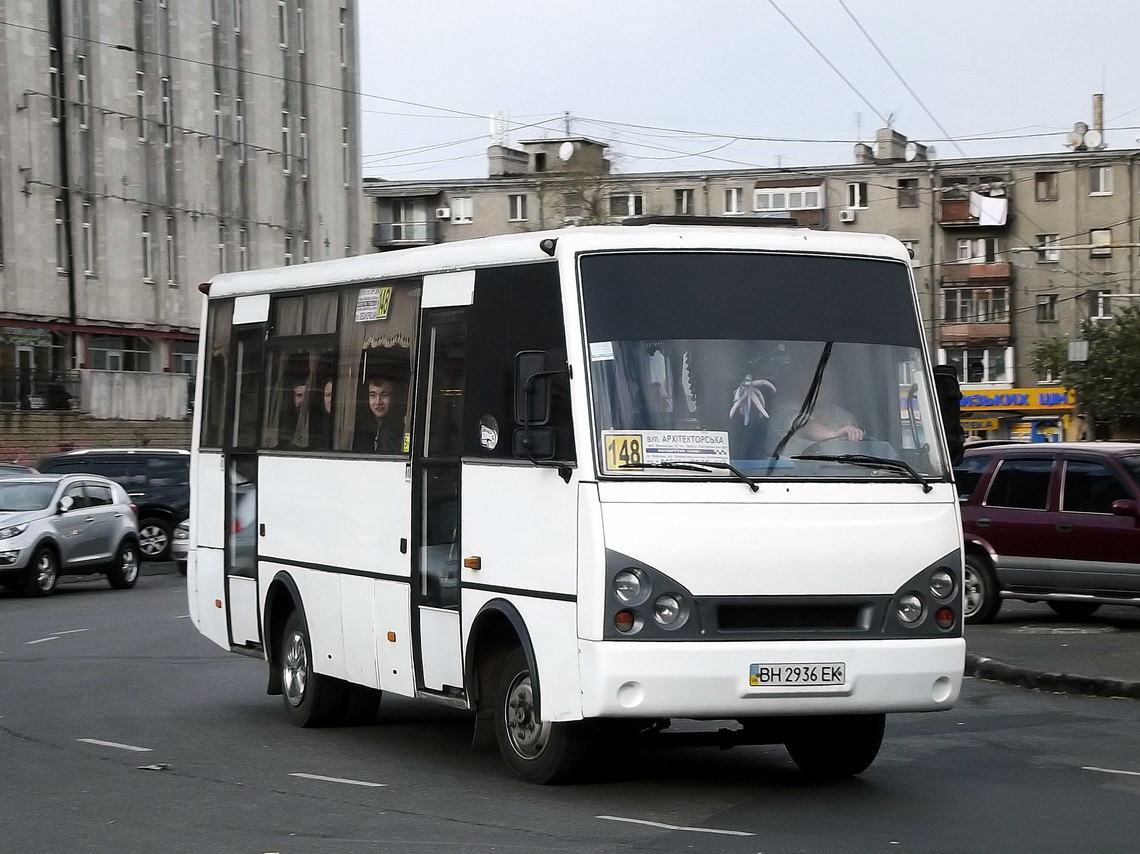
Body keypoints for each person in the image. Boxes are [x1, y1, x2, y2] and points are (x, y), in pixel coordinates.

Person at [353, 375, 403, 454]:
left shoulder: (403, 430)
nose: (378, 402)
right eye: (373, 395)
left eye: (384, 395)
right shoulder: (359, 430)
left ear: (393, 397)